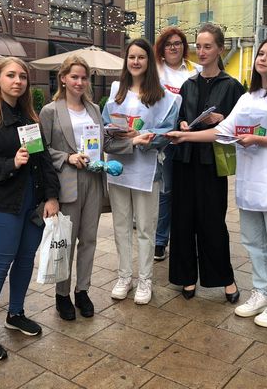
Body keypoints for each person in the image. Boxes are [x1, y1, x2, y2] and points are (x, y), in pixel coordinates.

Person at [166, 37, 267, 327]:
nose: (262, 58)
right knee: (254, 242)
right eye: (261, 53)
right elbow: (223, 132)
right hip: (249, 182)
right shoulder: (248, 98)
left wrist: (257, 139)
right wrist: (185, 136)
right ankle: (261, 292)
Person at [0, 57, 60, 361]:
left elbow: (44, 161)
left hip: (33, 205)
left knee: (25, 260)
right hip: (4, 204)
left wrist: (51, 197)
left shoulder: (29, 118)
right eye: (10, 75)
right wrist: (11, 163)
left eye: (22, 76)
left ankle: (15, 314)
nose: (17, 81)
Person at [40, 55, 126, 320]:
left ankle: (82, 290)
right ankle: (62, 294)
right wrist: (67, 157)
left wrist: (134, 141)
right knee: (66, 241)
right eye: (74, 77)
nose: (79, 82)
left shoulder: (94, 109)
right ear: (63, 79)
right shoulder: (50, 111)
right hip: (67, 182)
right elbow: (42, 150)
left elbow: (101, 144)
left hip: (93, 179)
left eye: (84, 77)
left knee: (88, 239)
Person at [168, 23, 243, 302]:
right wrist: (182, 123)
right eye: (198, 46)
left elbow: (242, 124)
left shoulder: (232, 86)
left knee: (212, 221)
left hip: (213, 162)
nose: (201, 51)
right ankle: (186, 277)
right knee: (183, 220)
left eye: (207, 46)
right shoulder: (188, 85)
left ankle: (225, 279)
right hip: (184, 160)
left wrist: (223, 118)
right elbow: (178, 118)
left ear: (220, 49)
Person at [103, 38, 180, 305]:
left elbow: (167, 132)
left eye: (141, 57)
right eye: (132, 57)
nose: (135, 62)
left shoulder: (165, 98)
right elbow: (104, 127)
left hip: (147, 170)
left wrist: (143, 136)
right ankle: (124, 276)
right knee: (121, 226)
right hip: (118, 168)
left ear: (149, 61)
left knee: (147, 228)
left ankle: (145, 279)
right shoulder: (116, 92)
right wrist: (121, 135)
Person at [152, 27, 202, 261]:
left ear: (184, 47)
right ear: (162, 48)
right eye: (168, 44)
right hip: (165, 140)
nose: (173, 47)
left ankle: (188, 239)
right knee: (166, 190)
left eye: (178, 43)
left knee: (191, 191)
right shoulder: (154, 71)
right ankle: (160, 240)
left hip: (192, 138)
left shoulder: (195, 70)